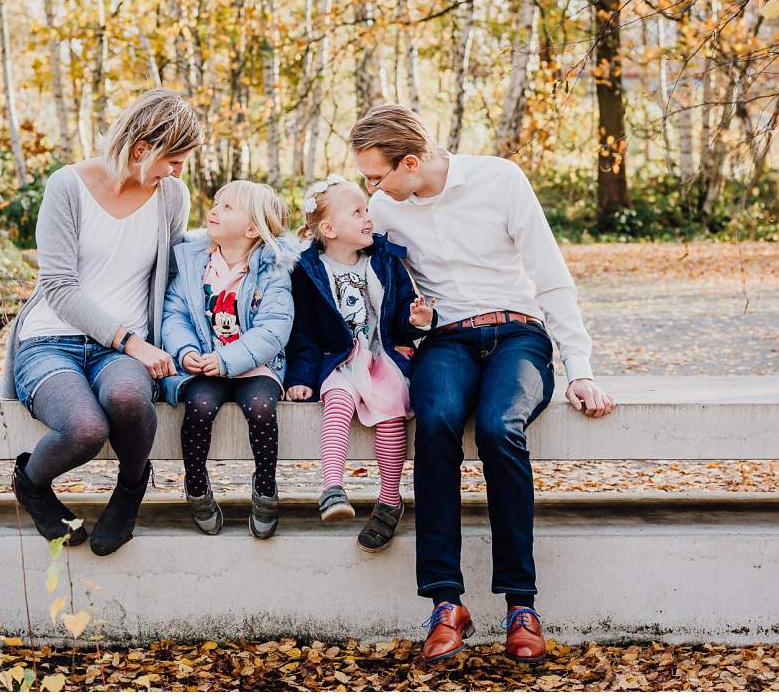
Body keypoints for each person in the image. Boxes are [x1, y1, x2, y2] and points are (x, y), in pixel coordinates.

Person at [351, 104, 616, 663]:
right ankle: (446, 603)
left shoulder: (500, 179)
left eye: (377, 175)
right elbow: (377, 295)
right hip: (446, 342)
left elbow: (551, 277)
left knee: (499, 428)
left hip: (519, 336)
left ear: (411, 162)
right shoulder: (385, 208)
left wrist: (581, 369)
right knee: (440, 421)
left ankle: (522, 605)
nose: (369, 188)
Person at [1, 89, 201, 556]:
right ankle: (31, 482)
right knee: (85, 429)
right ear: (140, 150)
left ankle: (130, 489)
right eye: (173, 160)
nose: (179, 171)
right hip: (51, 340)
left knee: (129, 399)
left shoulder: (172, 196)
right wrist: (132, 342)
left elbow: (172, 277)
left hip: (120, 352)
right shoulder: (66, 186)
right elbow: (59, 287)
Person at [285, 175, 435, 552]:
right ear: (329, 228)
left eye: (366, 210)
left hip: (381, 357)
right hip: (338, 360)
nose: (368, 218)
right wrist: (302, 377)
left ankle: (389, 498)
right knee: (337, 399)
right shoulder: (307, 271)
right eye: (357, 212)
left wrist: (415, 322)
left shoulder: (384, 262)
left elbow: (399, 314)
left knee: (390, 412)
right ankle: (332, 488)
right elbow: (301, 332)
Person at [160, 180, 297, 539]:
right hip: (205, 361)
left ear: (252, 229)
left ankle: (266, 487)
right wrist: (186, 351)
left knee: (262, 409)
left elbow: (273, 329)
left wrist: (227, 360)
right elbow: (174, 313)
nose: (214, 210)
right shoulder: (195, 263)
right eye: (216, 204)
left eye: (227, 207)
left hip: (256, 366)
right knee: (199, 405)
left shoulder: (272, 271)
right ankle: (196, 483)